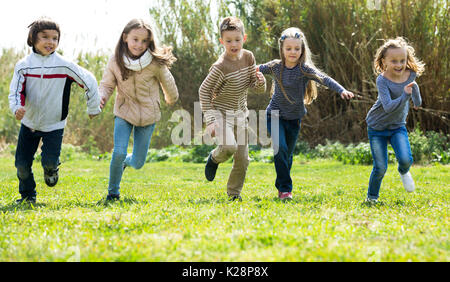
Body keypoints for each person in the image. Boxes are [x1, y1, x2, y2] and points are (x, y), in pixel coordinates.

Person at [8, 17, 101, 204]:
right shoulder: (24, 66)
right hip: (29, 124)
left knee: (49, 161)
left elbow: (88, 80)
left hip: (54, 124)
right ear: (33, 39)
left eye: (55, 38)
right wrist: (17, 108)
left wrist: (93, 107)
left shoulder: (64, 65)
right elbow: (15, 92)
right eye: (45, 37)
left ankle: (51, 168)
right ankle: (28, 196)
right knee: (21, 165)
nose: (50, 42)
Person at [257, 27, 354, 200]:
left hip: (294, 119)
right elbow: (254, 69)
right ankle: (286, 189)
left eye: (297, 48)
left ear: (302, 50)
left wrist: (341, 90)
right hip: (275, 115)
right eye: (289, 48)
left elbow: (324, 79)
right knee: (280, 149)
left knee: (287, 154)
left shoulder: (304, 69)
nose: (293, 52)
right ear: (282, 49)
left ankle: (281, 184)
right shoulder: (275, 67)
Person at [99, 18, 179, 201]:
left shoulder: (155, 62)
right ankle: (113, 193)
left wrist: (171, 98)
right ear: (125, 37)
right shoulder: (115, 61)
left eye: (144, 41)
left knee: (138, 162)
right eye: (135, 39)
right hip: (124, 112)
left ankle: (126, 162)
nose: (139, 45)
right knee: (118, 152)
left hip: (148, 115)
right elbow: (106, 85)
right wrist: (101, 97)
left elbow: (168, 83)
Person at [199, 16, 266, 201]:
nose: (233, 44)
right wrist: (210, 120)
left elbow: (256, 86)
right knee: (229, 146)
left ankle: (234, 194)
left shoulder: (248, 57)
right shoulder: (220, 67)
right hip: (221, 114)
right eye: (228, 41)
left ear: (244, 38)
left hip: (241, 114)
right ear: (222, 41)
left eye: (237, 40)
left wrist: (261, 82)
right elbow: (203, 91)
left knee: (243, 159)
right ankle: (214, 158)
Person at [365, 37, 424, 204]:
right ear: (384, 61)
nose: (399, 65)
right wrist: (406, 95)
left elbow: (414, 88)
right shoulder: (382, 80)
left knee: (406, 159)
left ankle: (403, 171)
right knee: (380, 167)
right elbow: (389, 106)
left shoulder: (411, 74)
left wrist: (417, 101)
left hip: (398, 126)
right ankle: (372, 198)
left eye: (402, 60)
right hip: (377, 127)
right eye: (394, 61)